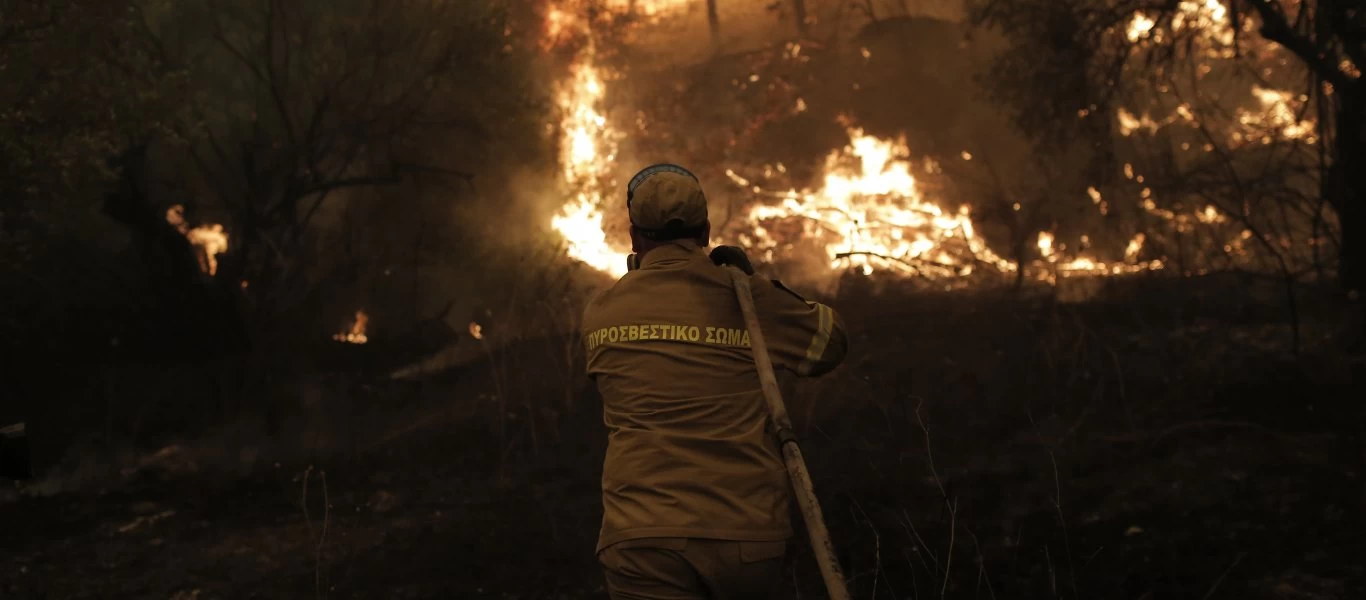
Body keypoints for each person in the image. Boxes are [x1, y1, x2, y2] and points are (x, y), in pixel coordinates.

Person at [582, 163, 849, 599]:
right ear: (706, 232)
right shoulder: (744, 298)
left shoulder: (601, 312)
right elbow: (829, 344)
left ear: (634, 238)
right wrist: (756, 282)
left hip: (643, 539)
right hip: (745, 535)